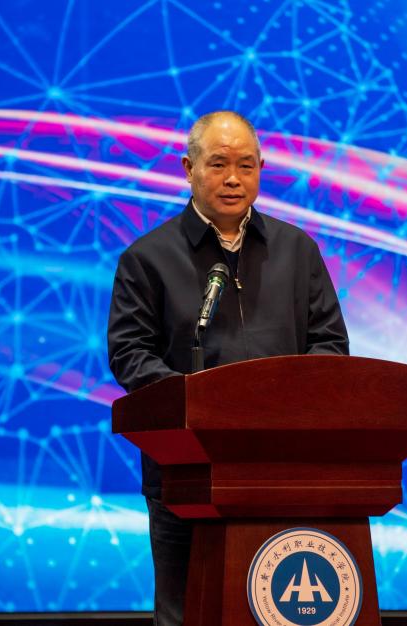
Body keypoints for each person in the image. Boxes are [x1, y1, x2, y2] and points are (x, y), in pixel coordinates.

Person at [107, 110, 349, 625]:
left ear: (261, 169)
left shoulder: (297, 251)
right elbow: (130, 354)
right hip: (185, 474)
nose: (233, 178)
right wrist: (202, 406)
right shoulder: (147, 259)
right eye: (218, 164)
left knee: (278, 614)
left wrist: (286, 405)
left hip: (282, 470)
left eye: (246, 165)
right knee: (187, 614)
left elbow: (330, 344)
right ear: (188, 168)